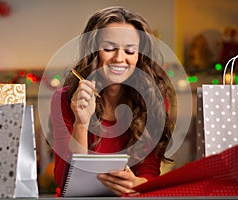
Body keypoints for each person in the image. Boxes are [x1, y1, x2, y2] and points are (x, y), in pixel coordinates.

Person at [50, 6, 175, 197]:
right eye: (109, 48)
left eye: (130, 51)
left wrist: (136, 184)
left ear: (139, 56)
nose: (120, 58)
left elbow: (149, 173)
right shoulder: (65, 99)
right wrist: (81, 123)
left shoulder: (153, 100)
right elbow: (63, 178)